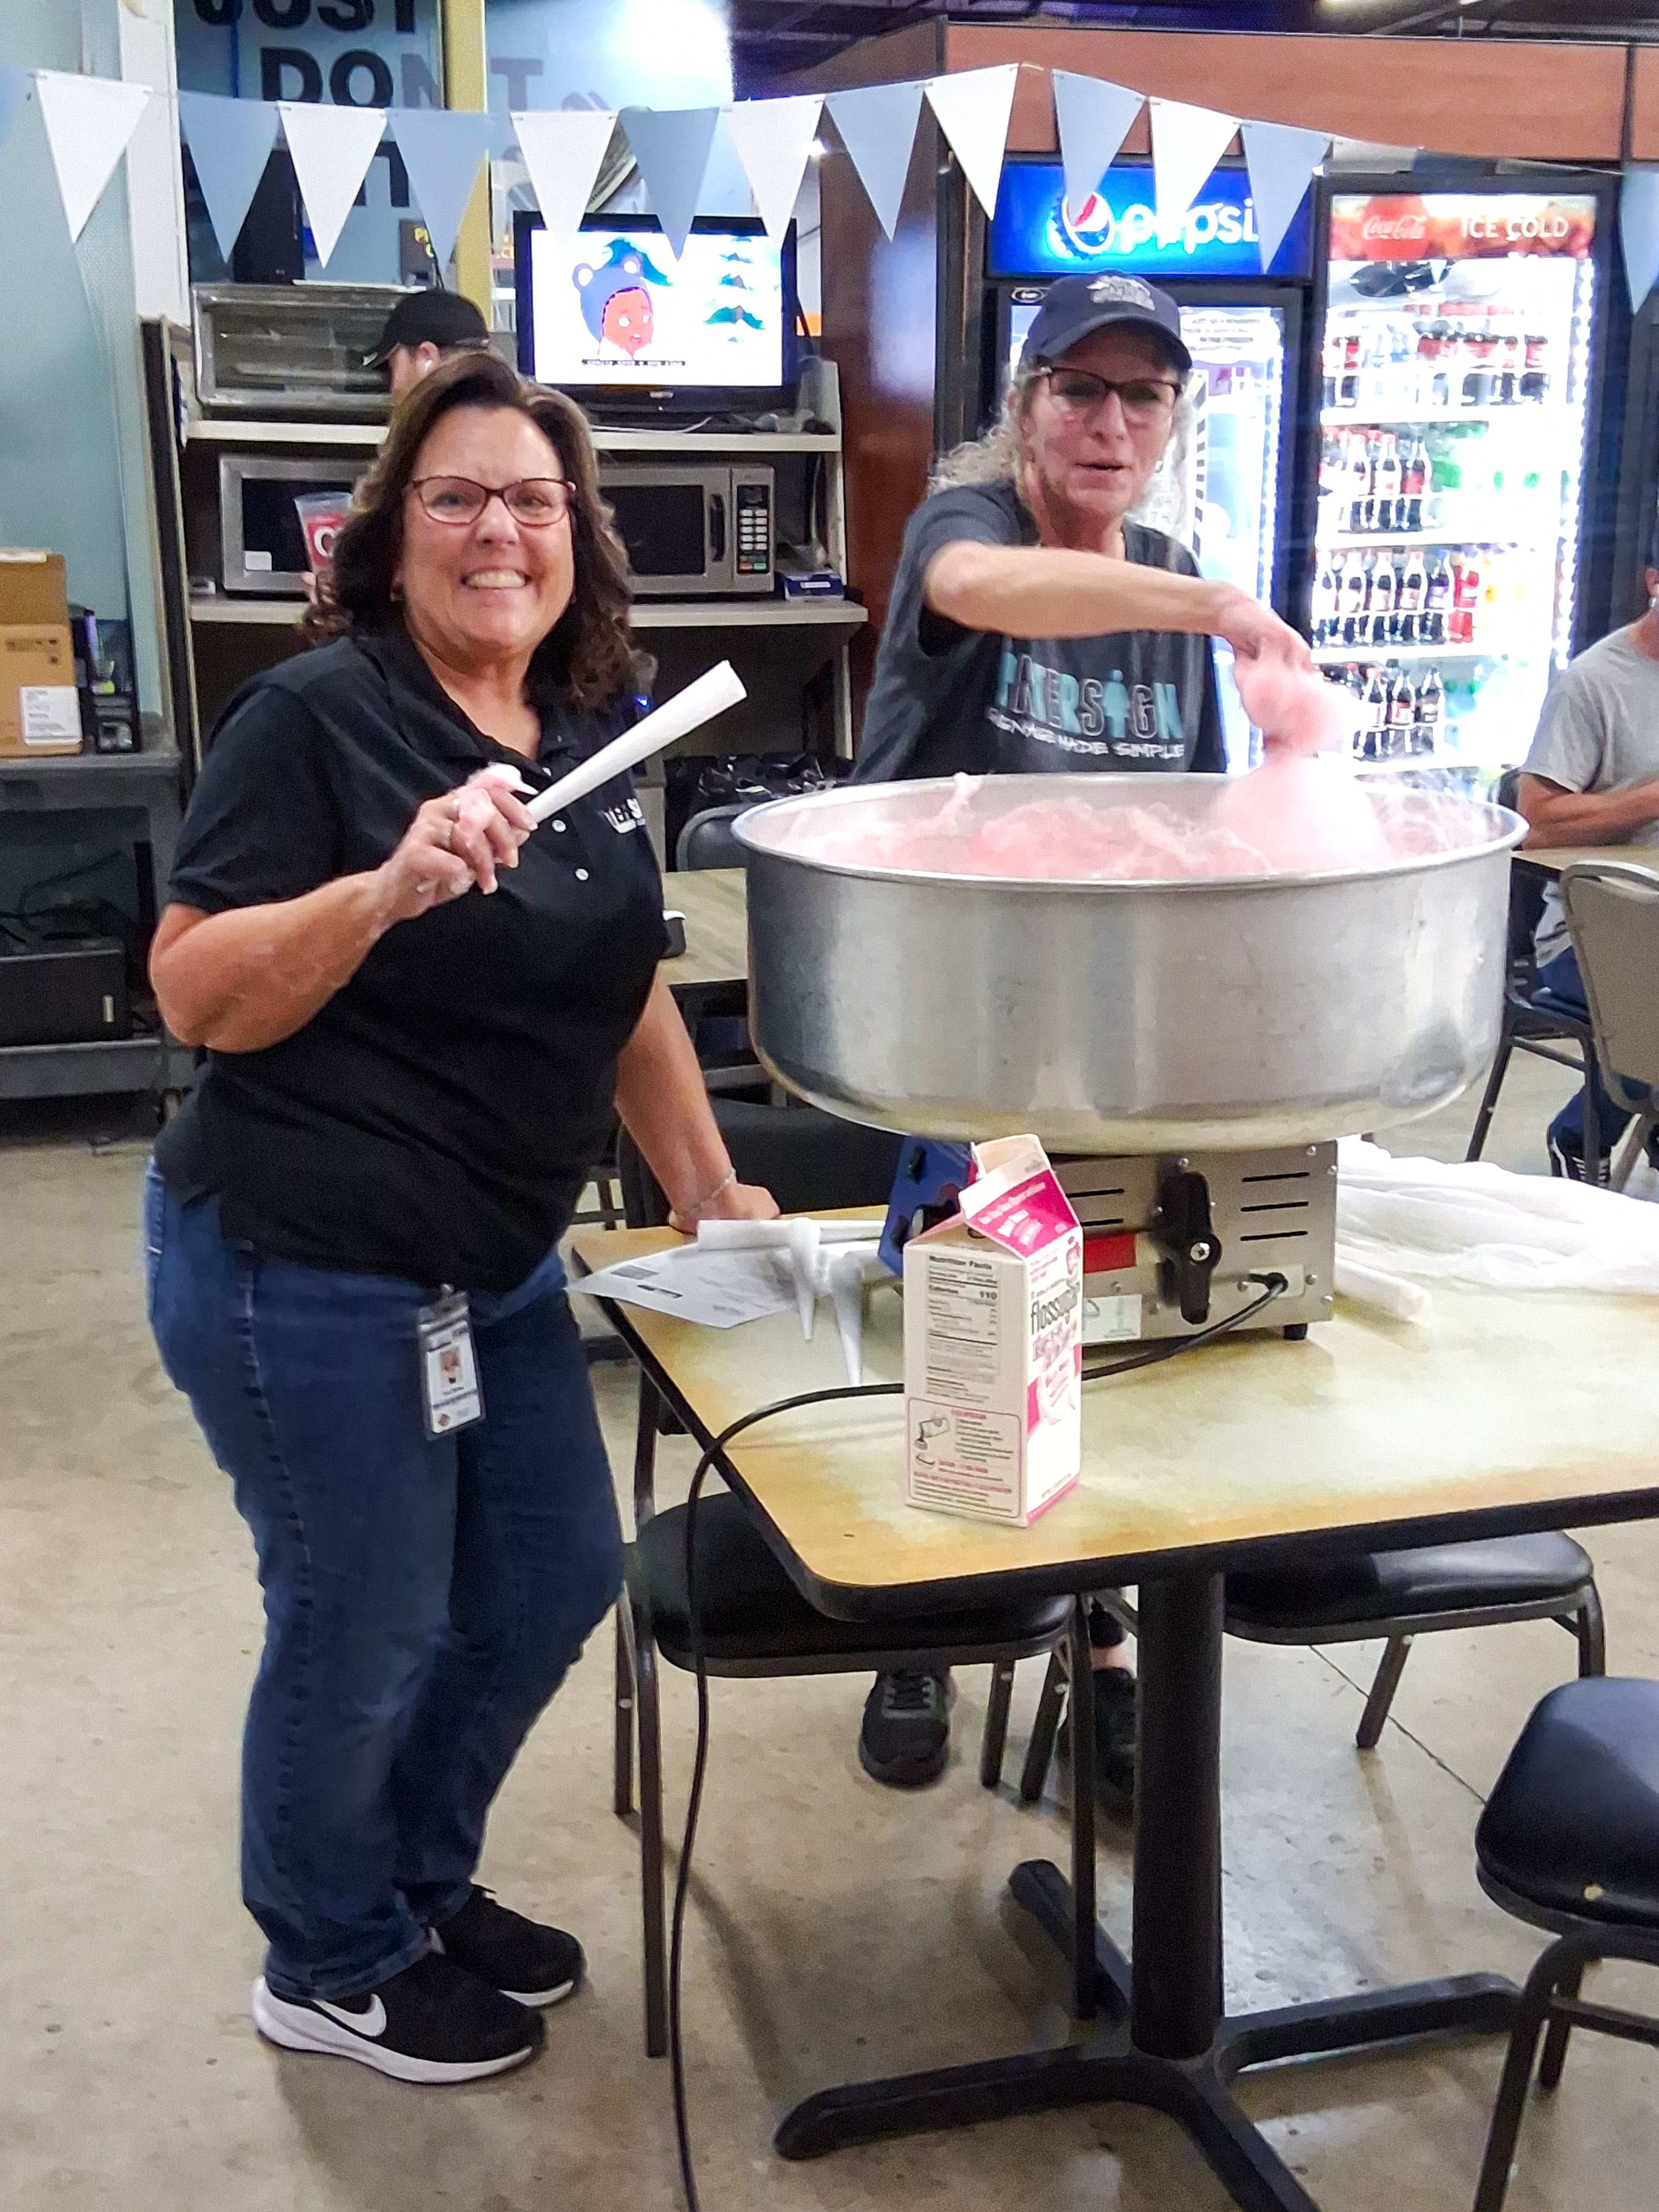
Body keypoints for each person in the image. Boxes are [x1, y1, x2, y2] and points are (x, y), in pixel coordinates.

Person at [144, 350, 777, 2086]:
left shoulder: (584, 719)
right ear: (389, 533)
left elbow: (622, 980)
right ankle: (328, 1954)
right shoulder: (320, 721)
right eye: (457, 496)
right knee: (366, 1616)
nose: (499, 526)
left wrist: (711, 1187)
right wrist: (382, 886)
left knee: (554, 1579)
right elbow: (193, 991)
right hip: (301, 1259)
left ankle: (413, 1883)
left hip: (487, 1262)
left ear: (575, 530)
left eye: (532, 497)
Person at [850, 272, 1314, 1803]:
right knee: (974, 1340)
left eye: (1141, 397)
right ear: (1023, 405)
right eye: (1078, 390)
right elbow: (991, 601)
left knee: (1112, 1339)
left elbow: (1188, 825)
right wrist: (1215, 605)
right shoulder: (963, 529)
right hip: (962, 1037)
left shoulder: (1175, 580)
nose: (1109, 422)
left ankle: (1103, 1650)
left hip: (1117, 1043)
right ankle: (922, 1623)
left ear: (1171, 419)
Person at [1516, 545, 1659, 1180]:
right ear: (1652, 581)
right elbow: (1538, 822)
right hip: (1592, 934)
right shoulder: (1595, 683)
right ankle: (1580, 1134)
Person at [369, 286, 493, 400]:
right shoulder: (505, 415)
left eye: (390, 370)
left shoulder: (439, 423)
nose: (392, 389)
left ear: (426, 357)